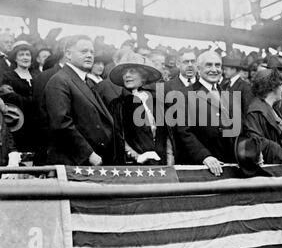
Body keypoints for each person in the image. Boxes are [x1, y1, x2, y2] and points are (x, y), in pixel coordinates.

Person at [44, 35, 114, 166]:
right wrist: (89, 154)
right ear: (68, 55)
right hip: (74, 162)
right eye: (84, 51)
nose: (89, 55)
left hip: (91, 161)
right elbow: (61, 124)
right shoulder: (59, 81)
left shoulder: (87, 82)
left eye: (92, 52)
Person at [175, 51, 236, 176]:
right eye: (209, 65)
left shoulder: (228, 95)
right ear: (198, 68)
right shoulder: (184, 95)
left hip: (228, 166)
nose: (214, 69)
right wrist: (205, 156)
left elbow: (236, 129)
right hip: (199, 167)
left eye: (217, 65)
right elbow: (184, 132)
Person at [109, 51, 174, 165]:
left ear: (143, 76)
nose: (127, 75)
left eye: (132, 71)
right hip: (134, 166)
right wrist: (136, 156)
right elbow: (118, 136)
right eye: (124, 72)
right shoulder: (118, 105)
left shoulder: (156, 101)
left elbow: (167, 134)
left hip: (161, 164)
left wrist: (169, 159)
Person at [241, 69, 282, 167]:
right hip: (271, 170)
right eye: (280, 86)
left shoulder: (272, 109)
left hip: (280, 164)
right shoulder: (256, 112)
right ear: (271, 88)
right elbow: (259, 144)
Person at [2, 41, 37, 152]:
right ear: (15, 58)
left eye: (28, 54)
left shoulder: (38, 77)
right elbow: (11, 99)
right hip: (18, 126)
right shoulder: (8, 77)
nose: (25, 57)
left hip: (37, 126)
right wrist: (34, 101)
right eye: (21, 55)